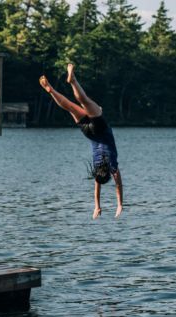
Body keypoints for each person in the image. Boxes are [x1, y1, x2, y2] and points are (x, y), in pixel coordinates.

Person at [39, 64, 123, 219]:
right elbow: (100, 187)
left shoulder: (112, 166)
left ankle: (73, 80)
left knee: (84, 100)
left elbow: (119, 185)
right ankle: (51, 90)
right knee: (70, 107)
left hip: (101, 128)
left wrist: (120, 204)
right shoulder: (99, 170)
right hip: (89, 133)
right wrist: (97, 206)